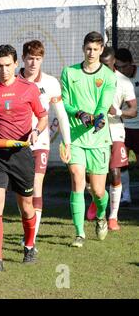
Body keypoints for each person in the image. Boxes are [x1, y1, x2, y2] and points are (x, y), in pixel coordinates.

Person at [0, 44, 48, 272]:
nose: (3, 70)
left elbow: (43, 117)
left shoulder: (29, 89)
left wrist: (36, 131)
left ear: (16, 64)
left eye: (7, 65)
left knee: (26, 207)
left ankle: (29, 245)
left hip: (21, 155)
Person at [61, 31, 116, 248]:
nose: (91, 53)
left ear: (102, 50)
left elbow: (103, 105)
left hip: (99, 140)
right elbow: (64, 102)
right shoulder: (69, 72)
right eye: (88, 48)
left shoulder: (109, 76)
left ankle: (101, 215)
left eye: (95, 49)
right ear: (83, 48)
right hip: (74, 138)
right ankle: (79, 233)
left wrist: (98, 119)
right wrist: (79, 114)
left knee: (98, 191)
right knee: (77, 179)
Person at [18, 40, 71, 247]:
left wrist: (67, 143)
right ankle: (28, 229)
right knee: (23, 193)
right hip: (17, 144)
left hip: (40, 143)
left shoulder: (50, 83)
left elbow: (62, 115)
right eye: (30, 58)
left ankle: (31, 238)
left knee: (36, 186)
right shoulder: (13, 81)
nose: (33, 63)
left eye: (38, 59)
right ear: (23, 58)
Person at [85, 47, 137, 230]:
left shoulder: (123, 82)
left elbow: (133, 109)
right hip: (93, 130)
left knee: (115, 171)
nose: (102, 67)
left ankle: (113, 217)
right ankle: (98, 200)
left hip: (115, 130)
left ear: (113, 62)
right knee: (88, 175)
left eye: (106, 64)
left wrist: (119, 111)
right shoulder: (89, 77)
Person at [114, 48, 139, 206]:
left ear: (131, 64)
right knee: (121, 163)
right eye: (117, 67)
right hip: (122, 127)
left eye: (122, 67)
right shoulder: (115, 79)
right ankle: (126, 196)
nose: (120, 70)